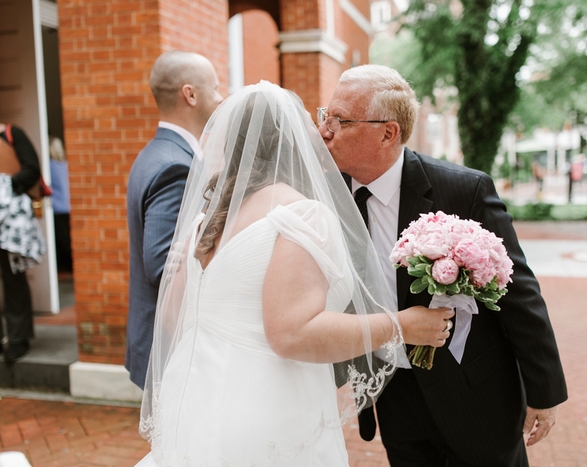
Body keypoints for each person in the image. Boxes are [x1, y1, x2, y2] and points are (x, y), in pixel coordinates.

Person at [134, 81, 454, 466]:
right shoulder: (301, 215)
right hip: (267, 410)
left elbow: (173, 315)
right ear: (290, 140)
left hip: (195, 401)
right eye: (309, 124)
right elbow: (291, 333)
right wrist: (401, 325)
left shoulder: (209, 217)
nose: (321, 133)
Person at [319, 64, 568, 467]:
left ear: (388, 132)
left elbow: (518, 292)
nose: (325, 130)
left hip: (473, 389)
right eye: (324, 116)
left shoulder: (464, 189)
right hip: (392, 391)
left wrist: (545, 390)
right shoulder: (325, 197)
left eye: (341, 120)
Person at [126, 50, 223, 388]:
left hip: (154, 340)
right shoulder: (175, 166)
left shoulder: (155, 152)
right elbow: (161, 265)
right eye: (215, 87)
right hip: (168, 346)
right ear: (190, 94)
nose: (221, 96)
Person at [0, 81, 45, 364]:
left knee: (12, 276)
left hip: (9, 223)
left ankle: (18, 338)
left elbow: (32, 170)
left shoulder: (11, 134)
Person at [49, 137, 72, 272]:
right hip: (68, 206)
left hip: (56, 207)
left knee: (60, 238)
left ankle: (65, 264)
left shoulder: (49, 165)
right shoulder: (65, 164)